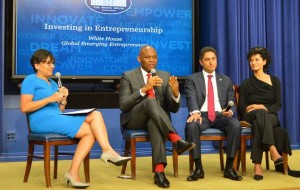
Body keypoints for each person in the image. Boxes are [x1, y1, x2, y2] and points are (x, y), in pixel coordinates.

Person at [20, 49, 131, 188]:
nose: (52, 66)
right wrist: (50, 98)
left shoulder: (53, 84)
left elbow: (59, 110)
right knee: (91, 126)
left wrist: (63, 100)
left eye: (52, 63)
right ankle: (107, 151)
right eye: (47, 63)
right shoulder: (30, 80)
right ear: (36, 65)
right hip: (41, 121)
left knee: (94, 119)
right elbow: (25, 107)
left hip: (56, 117)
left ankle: (75, 170)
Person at [119, 45, 195, 188]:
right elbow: (123, 105)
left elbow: (172, 108)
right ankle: (175, 139)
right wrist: (144, 89)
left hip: (157, 121)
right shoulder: (128, 76)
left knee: (155, 124)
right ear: (139, 59)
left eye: (154, 57)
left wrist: (176, 94)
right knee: (149, 101)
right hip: (134, 120)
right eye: (148, 57)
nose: (152, 60)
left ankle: (159, 172)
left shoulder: (164, 75)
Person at [184, 46, 243, 181]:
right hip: (202, 115)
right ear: (201, 62)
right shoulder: (192, 79)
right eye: (207, 60)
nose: (211, 62)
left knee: (235, 124)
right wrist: (195, 112)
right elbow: (191, 97)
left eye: (213, 59)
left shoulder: (226, 80)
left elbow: (231, 100)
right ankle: (198, 168)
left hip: (220, 115)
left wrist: (230, 112)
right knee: (192, 125)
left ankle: (229, 168)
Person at [238, 47, 292, 180]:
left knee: (259, 121)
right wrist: (253, 107)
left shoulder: (274, 81)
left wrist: (263, 107)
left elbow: (278, 104)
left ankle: (257, 165)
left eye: (257, 60)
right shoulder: (246, 83)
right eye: (251, 60)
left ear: (264, 61)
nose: (253, 62)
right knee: (259, 115)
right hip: (250, 115)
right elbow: (241, 108)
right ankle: (272, 149)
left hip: (271, 116)